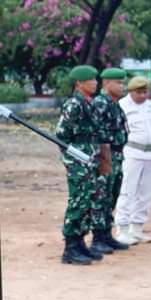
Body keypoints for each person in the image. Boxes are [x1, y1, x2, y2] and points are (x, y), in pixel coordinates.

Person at [56, 65, 107, 265]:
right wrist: (73, 158)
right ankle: (70, 247)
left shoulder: (89, 103)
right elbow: (61, 135)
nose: (95, 83)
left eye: (95, 80)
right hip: (78, 159)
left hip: (90, 158)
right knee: (78, 200)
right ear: (79, 83)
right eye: (91, 80)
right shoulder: (73, 105)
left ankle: (80, 242)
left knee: (87, 200)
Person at [115, 76, 151, 244]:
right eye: (139, 92)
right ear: (131, 92)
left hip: (149, 154)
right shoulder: (122, 106)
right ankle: (122, 229)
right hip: (131, 152)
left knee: (145, 193)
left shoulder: (150, 107)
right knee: (127, 190)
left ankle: (137, 228)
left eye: (145, 92)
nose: (143, 96)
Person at [90, 67, 131, 254]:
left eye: (123, 82)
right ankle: (98, 237)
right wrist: (103, 159)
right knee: (101, 196)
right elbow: (96, 133)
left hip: (117, 155)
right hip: (105, 154)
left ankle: (106, 235)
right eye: (118, 82)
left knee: (111, 195)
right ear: (106, 83)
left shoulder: (114, 104)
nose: (122, 86)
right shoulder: (100, 103)